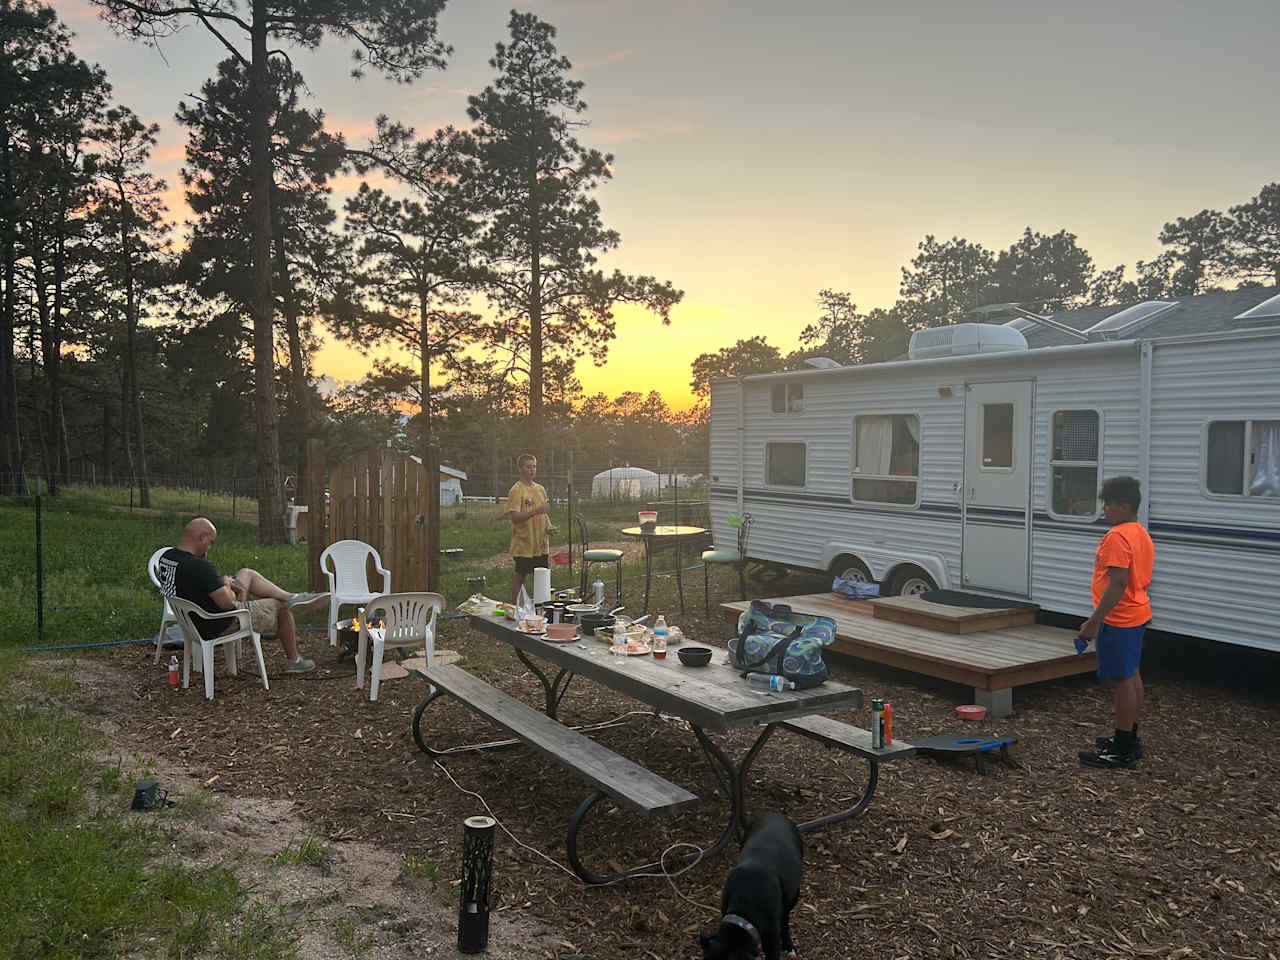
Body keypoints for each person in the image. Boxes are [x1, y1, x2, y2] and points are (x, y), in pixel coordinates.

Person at [158, 517, 329, 673]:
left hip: (191, 621)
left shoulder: (166, 557)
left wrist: (223, 583)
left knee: (246, 573)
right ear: (201, 537)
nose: (209, 547)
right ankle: (295, 660)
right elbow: (228, 604)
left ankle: (292, 597)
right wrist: (225, 583)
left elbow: (195, 586)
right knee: (282, 607)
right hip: (217, 622)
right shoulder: (199, 566)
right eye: (210, 542)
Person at [1077, 476, 1154, 770]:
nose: (1105, 509)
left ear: (1124, 506)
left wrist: (1094, 621)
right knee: (1132, 675)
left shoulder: (1117, 537)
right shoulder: (1140, 533)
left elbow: (1118, 582)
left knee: (1122, 682)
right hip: (1137, 614)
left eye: (1109, 504)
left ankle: (1122, 750)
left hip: (1118, 618)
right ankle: (1129, 739)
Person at [505, 453, 551, 604]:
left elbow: (544, 513)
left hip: (541, 544)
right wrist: (535, 511)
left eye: (534, 467)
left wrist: (549, 526)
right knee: (520, 577)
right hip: (524, 544)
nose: (532, 470)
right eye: (528, 467)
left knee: (542, 579)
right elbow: (515, 517)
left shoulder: (540, 489)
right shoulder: (516, 490)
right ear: (520, 468)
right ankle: (513, 610)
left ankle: (541, 608)